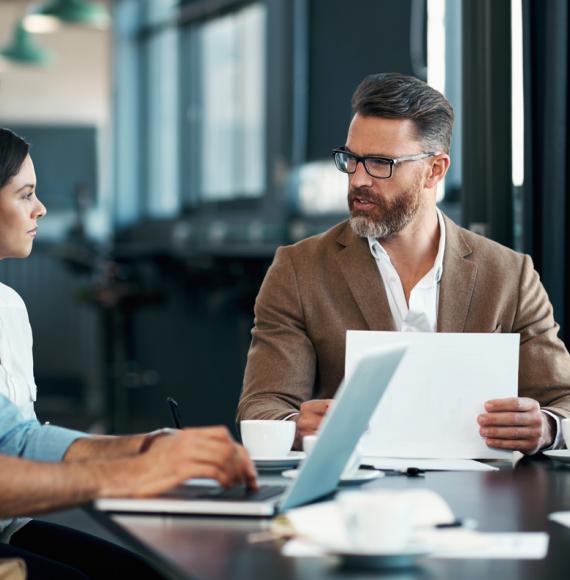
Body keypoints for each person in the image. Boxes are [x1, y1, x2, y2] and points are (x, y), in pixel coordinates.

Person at [237, 72, 570, 455]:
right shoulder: (299, 269)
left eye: (380, 163)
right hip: (351, 496)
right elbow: (262, 406)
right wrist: (295, 426)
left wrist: (546, 426)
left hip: (484, 495)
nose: (359, 179)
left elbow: (562, 399)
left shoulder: (510, 275)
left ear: (435, 170)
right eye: (352, 159)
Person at [0, 127, 257, 578]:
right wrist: (131, 475)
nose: (40, 209)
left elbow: (15, 439)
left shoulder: (9, 306)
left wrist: (146, 446)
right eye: (26, 195)